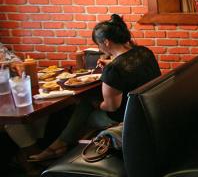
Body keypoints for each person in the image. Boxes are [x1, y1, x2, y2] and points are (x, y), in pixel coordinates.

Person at [29, 14, 161, 162]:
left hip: (129, 118)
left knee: (85, 112)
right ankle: (61, 146)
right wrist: (111, 64)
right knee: (84, 105)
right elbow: (128, 66)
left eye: (98, 44)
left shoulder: (113, 70)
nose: (99, 48)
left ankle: (63, 148)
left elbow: (111, 107)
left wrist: (96, 103)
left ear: (106, 42)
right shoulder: (143, 52)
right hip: (150, 107)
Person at [1, 42, 47, 173]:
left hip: (9, 91)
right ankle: (38, 155)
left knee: (39, 111)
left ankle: (26, 153)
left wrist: (14, 64)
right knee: (12, 120)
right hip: (6, 96)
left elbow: (15, 60)